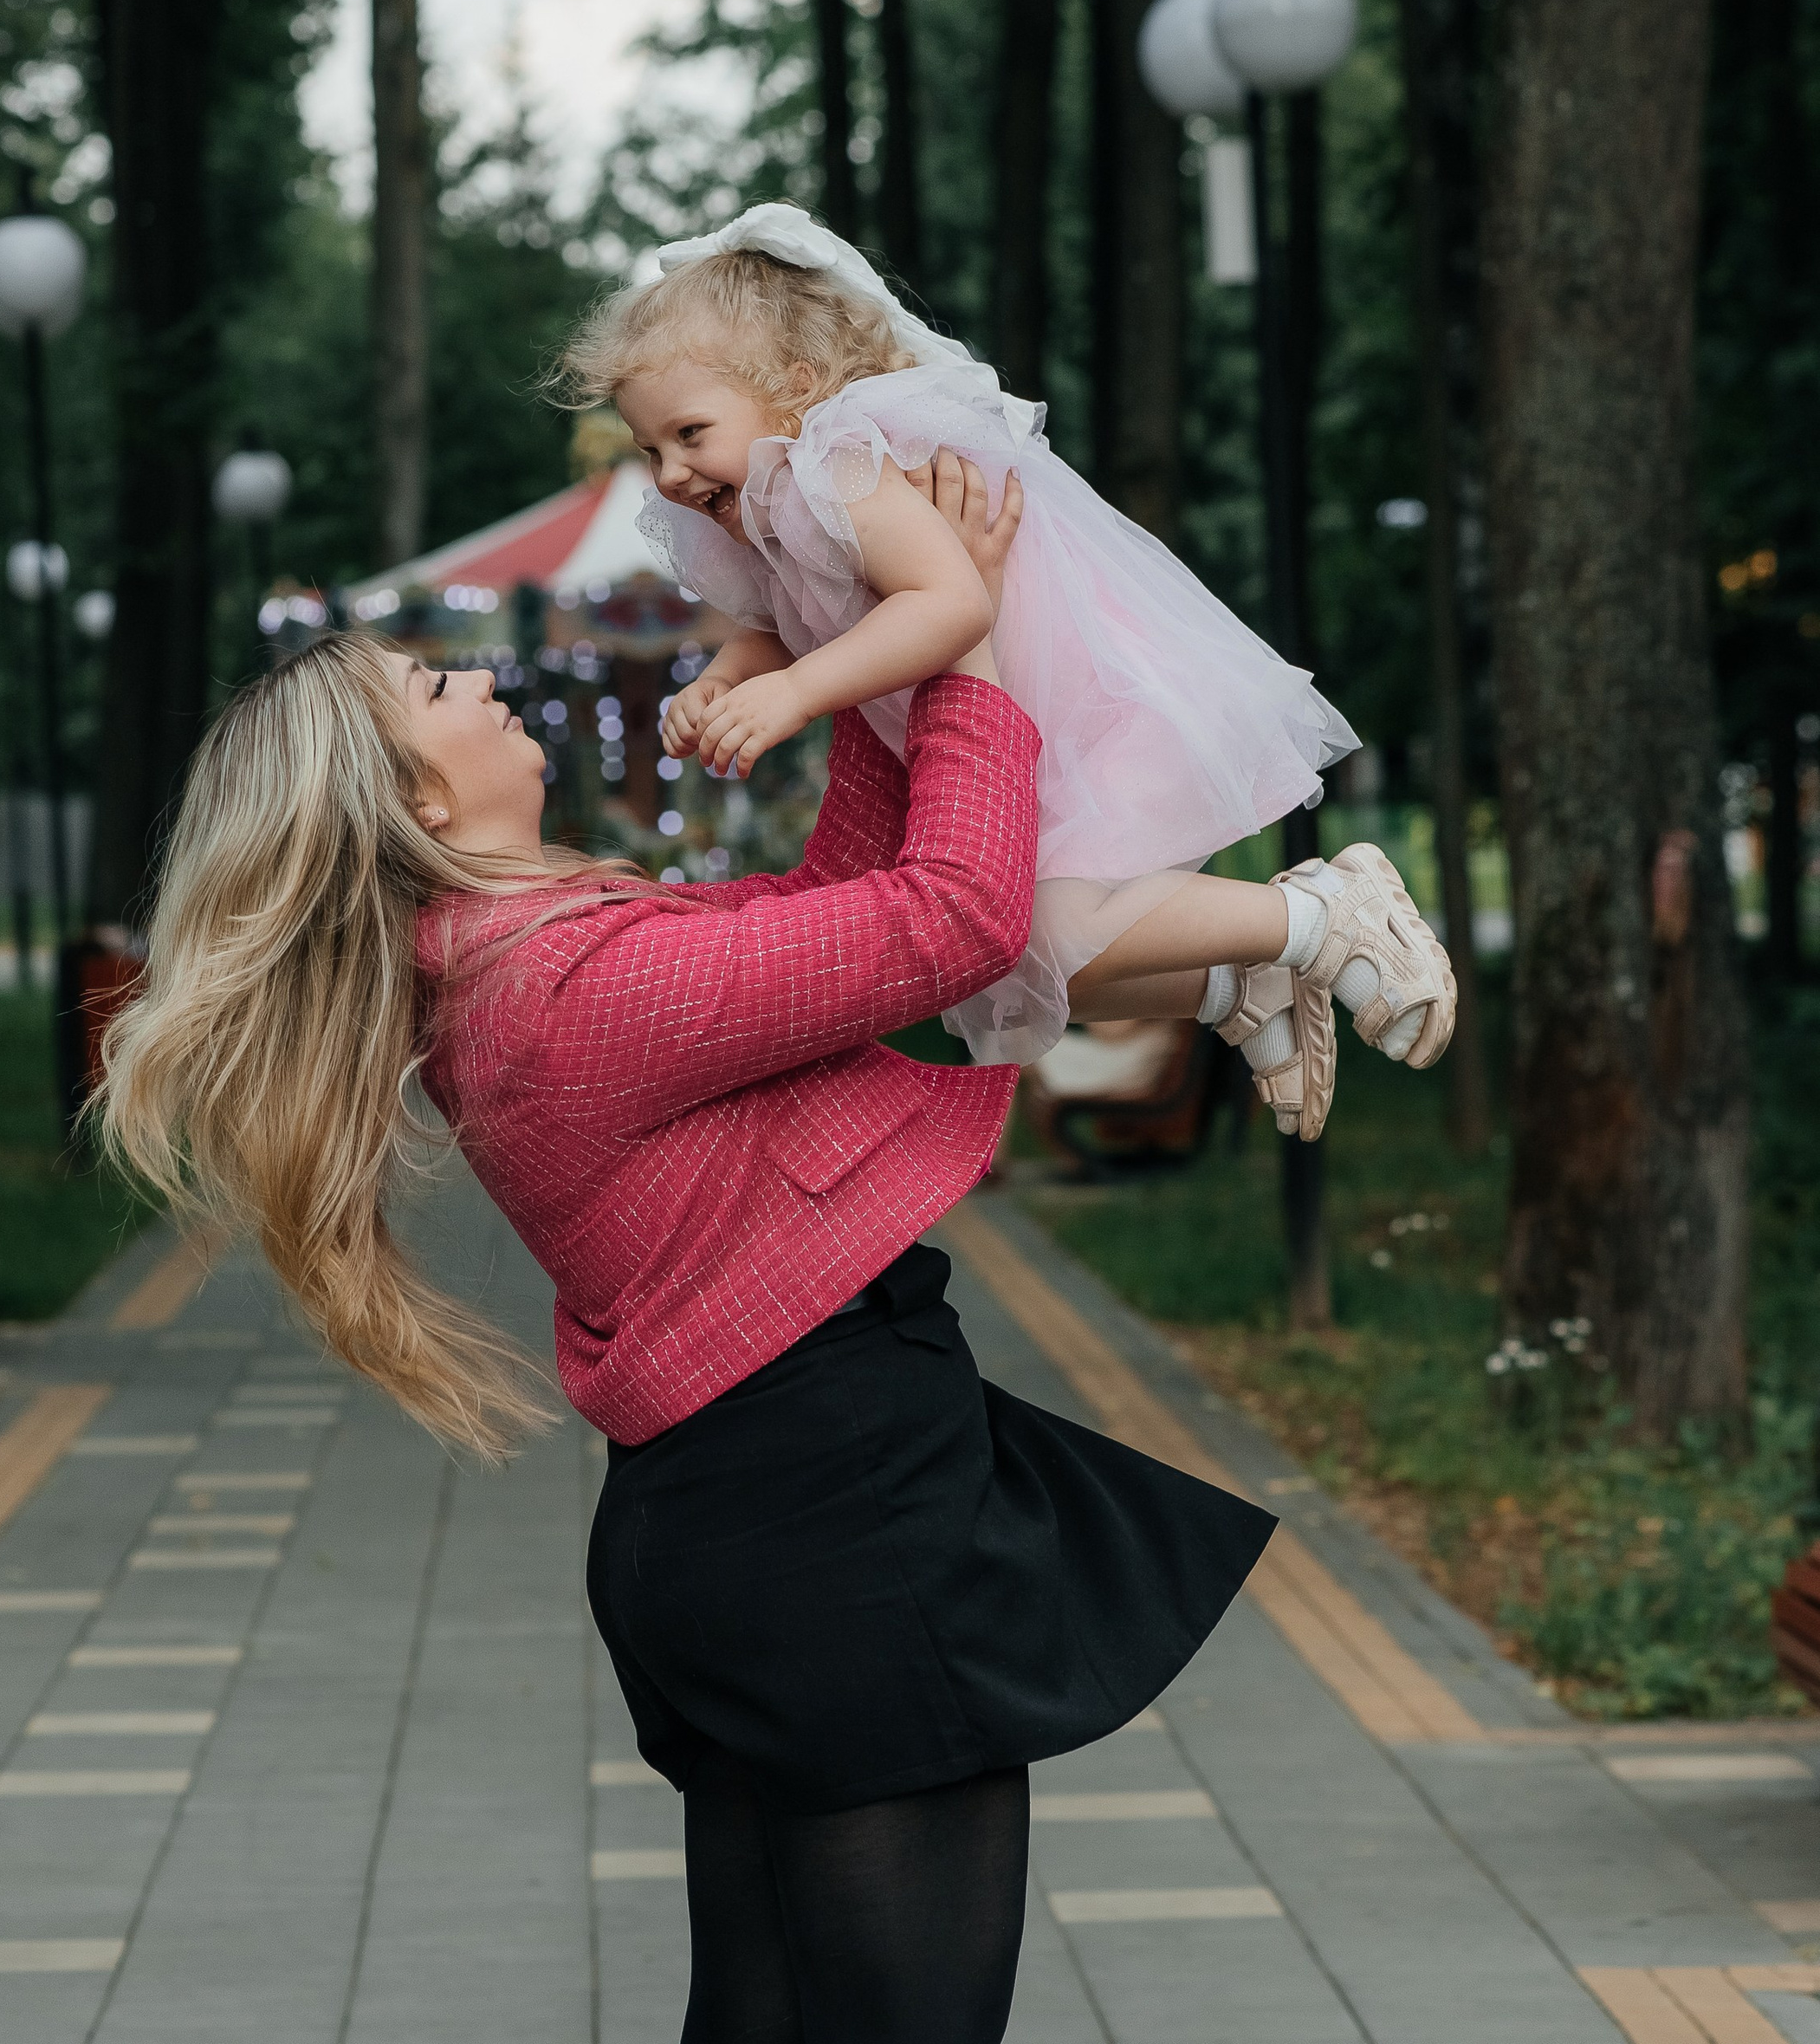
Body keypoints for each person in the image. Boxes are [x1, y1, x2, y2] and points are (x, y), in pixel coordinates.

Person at [96, 463, 1278, 2044]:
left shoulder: (520, 965)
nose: (486, 681)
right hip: (831, 1518)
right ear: (421, 804)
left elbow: (829, 915)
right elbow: (947, 922)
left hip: (759, 1518)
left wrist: (853, 661)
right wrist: (964, 647)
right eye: (440, 687)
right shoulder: (571, 985)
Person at [553, 201, 1456, 1139]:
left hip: (1087, 706)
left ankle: (1319, 911)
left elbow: (949, 604)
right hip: (1021, 732)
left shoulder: (841, 465)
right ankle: (1238, 979)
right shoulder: (766, 518)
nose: (667, 474)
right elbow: (781, 626)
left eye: (691, 433)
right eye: (651, 448)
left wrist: (794, 693)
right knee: (1008, 956)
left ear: (796, 386)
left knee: (1034, 936)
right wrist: (727, 678)